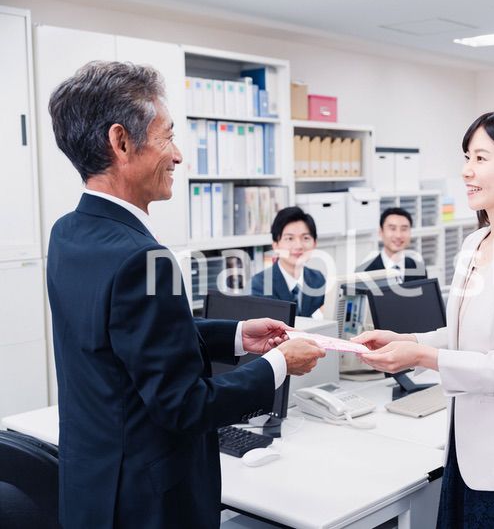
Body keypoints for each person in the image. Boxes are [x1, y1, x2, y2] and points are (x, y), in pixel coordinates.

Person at [46, 61, 325, 529]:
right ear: (121, 142)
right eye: (167, 136)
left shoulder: (68, 233)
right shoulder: (142, 258)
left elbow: (130, 334)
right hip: (148, 503)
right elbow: (186, 406)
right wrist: (279, 364)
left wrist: (235, 335)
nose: (177, 156)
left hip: (93, 488)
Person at [354, 109, 494, 528]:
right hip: (465, 448)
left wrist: (421, 358)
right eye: (467, 157)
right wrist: (408, 339)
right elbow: (461, 334)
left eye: (481, 158)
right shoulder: (476, 243)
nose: (467, 170)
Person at [251, 206, 326, 318]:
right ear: (276, 245)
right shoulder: (260, 284)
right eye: (289, 238)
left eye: (305, 238)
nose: (298, 246)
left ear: (314, 243)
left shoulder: (318, 279)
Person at [356, 207, 427, 282]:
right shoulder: (364, 272)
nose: (398, 235)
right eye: (392, 228)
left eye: (404, 229)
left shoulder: (419, 268)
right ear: (381, 232)